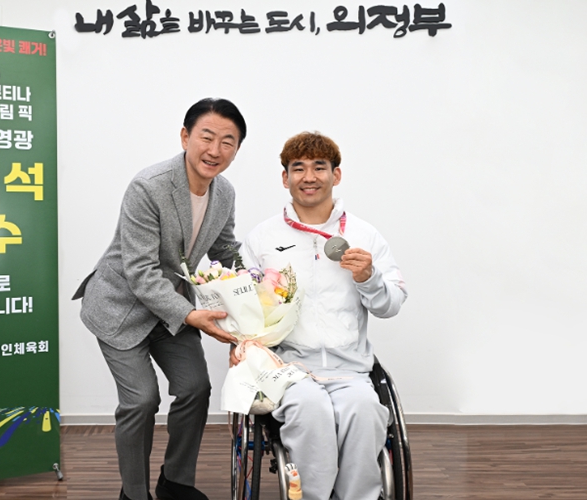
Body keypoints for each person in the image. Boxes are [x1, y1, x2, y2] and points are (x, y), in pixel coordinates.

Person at [73, 98, 246, 500]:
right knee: (141, 400)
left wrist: (258, 289)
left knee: (195, 388)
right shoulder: (148, 186)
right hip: (120, 306)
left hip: (171, 308)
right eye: (206, 137)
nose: (215, 150)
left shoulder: (224, 193)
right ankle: (134, 494)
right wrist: (191, 315)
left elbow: (225, 250)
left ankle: (175, 483)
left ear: (237, 149)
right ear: (185, 137)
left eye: (228, 142)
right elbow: (140, 271)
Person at [238, 132, 407, 500]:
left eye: (319, 167)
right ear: (285, 178)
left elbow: (390, 305)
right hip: (289, 370)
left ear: (336, 174)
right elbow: (244, 309)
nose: (309, 177)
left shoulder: (364, 235)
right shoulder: (262, 238)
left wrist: (369, 277)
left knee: (366, 412)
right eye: (298, 168)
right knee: (310, 410)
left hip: (351, 370)